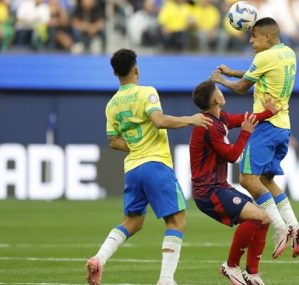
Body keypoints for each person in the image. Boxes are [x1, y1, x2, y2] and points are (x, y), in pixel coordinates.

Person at [86, 49, 212, 285]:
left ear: (115, 73)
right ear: (136, 69)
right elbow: (159, 120)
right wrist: (191, 119)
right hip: (155, 163)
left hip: (133, 169)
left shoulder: (111, 104)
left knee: (132, 222)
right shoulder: (147, 92)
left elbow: (113, 141)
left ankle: (99, 258)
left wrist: (135, 145)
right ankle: (166, 279)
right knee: (176, 221)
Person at [210, 17, 299, 260]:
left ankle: (280, 228)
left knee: (247, 179)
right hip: (283, 125)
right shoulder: (288, 53)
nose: (250, 40)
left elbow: (244, 87)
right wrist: (233, 72)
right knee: (265, 179)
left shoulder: (263, 57)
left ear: (266, 37)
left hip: (265, 126)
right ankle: (295, 226)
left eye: (253, 36)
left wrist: (222, 80)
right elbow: (260, 72)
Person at [190, 80, 280, 285]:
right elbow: (232, 156)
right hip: (208, 191)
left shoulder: (219, 118)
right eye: (218, 91)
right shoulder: (208, 126)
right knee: (257, 216)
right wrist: (246, 133)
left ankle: (252, 274)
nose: (222, 93)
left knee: (264, 218)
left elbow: (243, 119)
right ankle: (231, 266)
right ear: (215, 99)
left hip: (219, 186)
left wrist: (268, 113)